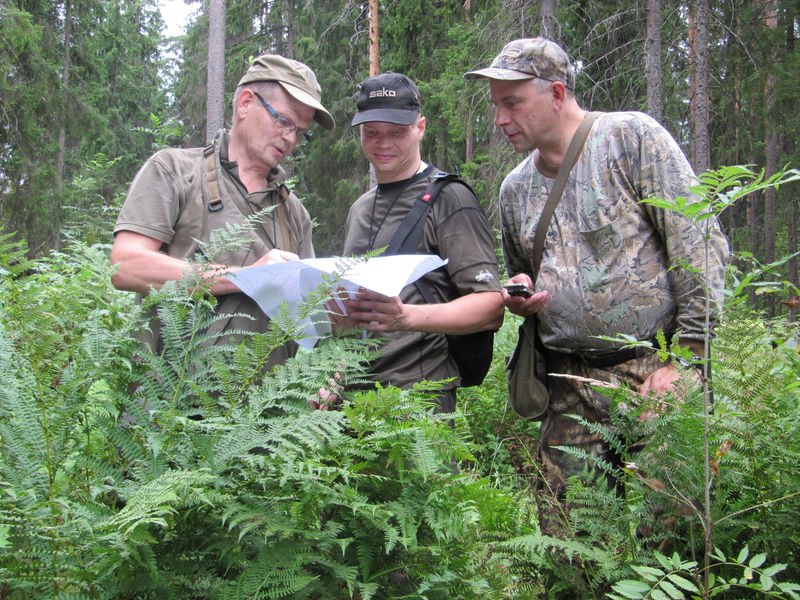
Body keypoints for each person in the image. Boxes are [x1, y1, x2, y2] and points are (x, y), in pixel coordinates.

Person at [464, 39, 729, 498]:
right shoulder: (514, 189)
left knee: (669, 537)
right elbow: (525, 273)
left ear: (557, 93)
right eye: (496, 106)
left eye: (512, 103)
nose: (500, 120)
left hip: (656, 371)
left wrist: (686, 362)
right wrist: (521, 297)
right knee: (570, 547)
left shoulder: (631, 139)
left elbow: (700, 246)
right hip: (568, 385)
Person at [111, 54, 335, 367]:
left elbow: (310, 316)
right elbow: (125, 266)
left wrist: (322, 371)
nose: (290, 138)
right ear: (245, 103)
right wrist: (246, 277)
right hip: (169, 407)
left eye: (301, 131)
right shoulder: (174, 171)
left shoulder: (294, 213)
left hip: (266, 411)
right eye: (283, 121)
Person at [333, 72, 504, 413]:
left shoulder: (450, 199)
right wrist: (335, 375)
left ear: (420, 127)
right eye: (372, 133)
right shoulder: (360, 209)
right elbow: (353, 315)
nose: (383, 144)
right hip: (354, 404)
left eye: (397, 132)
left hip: (422, 400)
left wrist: (405, 317)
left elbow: (490, 307)